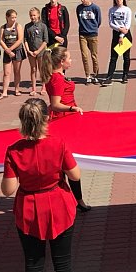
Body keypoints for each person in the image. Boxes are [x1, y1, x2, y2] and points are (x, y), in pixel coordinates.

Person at [2, 98, 80, 272]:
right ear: (47, 118)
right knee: (63, 264)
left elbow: (8, 190)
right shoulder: (59, 144)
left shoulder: (13, 150)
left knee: (33, 265)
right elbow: (75, 175)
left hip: (29, 209)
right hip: (59, 205)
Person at [40, 46, 90, 212]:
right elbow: (55, 104)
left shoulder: (57, 76)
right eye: (69, 58)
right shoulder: (57, 79)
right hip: (63, 121)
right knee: (68, 162)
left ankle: (75, 199)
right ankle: (75, 200)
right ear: (61, 62)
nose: (71, 60)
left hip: (67, 120)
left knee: (68, 162)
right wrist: (72, 108)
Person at [103, 0, 132, 85]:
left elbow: (127, 25)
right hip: (116, 33)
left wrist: (121, 35)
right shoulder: (112, 10)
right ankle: (109, 77)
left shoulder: (127, 10)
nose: (118, 0)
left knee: (126, 57)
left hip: (125, 35)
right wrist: (119, 29)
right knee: (113, 57)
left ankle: (125, 75)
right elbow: (111, 23)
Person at [76, 0, 102, 85]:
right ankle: (87, 76)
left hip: (93, 34)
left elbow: (98, 21)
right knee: (84, 55)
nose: (82, 0)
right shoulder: (79, 8)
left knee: (94, 55)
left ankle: (95, 75)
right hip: (82, 35)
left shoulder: (95, 8)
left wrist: (93, 28)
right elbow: (79, 19)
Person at [0, 9, 26, 99]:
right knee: (6, 72)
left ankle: (17, 89)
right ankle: (4, 91)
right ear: (7, 17)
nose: (14, 19)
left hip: (17, 50)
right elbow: (1, 40)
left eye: (15, 17)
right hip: (7, 51)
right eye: (12, 17)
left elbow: (20, 39)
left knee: (17, 71)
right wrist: (7, 50)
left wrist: (11, 49)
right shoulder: (3, 27)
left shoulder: (18, 26)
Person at [24, 8, 49, 96]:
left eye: (34, 15)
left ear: (38, 15)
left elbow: (45, 40)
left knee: (41, 69)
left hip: (41, 52)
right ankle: (33, 88)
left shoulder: (43, 26)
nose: (32, 17)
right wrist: (28, 50)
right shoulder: (27, 26)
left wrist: (38, 51)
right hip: (31, 52)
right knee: (33, 69)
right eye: (31, 15)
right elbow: (25, 40)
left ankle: (43, 87)